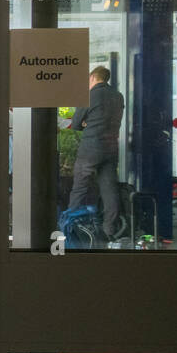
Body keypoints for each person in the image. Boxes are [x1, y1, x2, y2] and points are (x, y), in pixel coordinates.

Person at [66, 65, 125, 240]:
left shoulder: (90, 95)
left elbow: (76, 124)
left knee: (80, 188)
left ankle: (71, 229)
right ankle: (109, 231)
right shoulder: (118, 96)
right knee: (109, 190)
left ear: (92, 78)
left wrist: (86, 124)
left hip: (90, 149)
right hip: (111, 148)